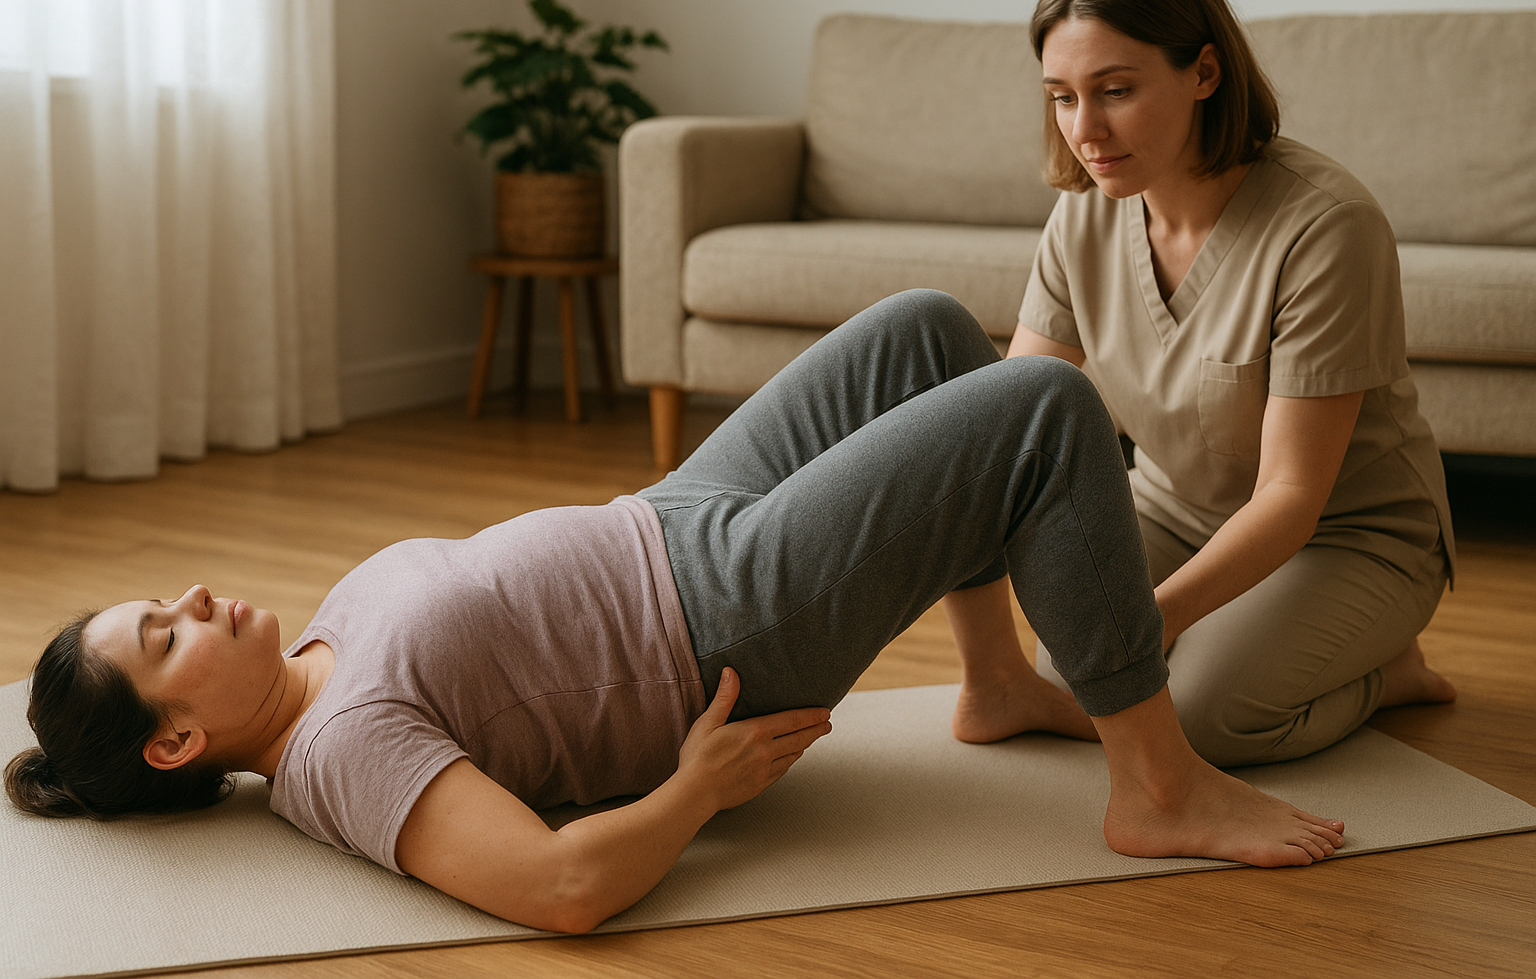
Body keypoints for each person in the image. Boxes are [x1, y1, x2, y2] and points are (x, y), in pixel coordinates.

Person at [7, 292, 1344, 934]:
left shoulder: (311, 655)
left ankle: (995, 686)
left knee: (927, 332)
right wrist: (696, 789)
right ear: (176, 743)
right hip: (716, 622)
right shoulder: (342, 756)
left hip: (677, 513)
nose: (187, 602)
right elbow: (561, 886)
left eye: (160, 603)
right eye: (163, 639)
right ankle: (1155, 786)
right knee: (1041, 409)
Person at [993, 0, 1458, 767]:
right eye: (1062, 97)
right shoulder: (1082, 220)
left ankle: (1390, 672)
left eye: (1116, 90)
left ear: (1204, 71)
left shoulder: (1327, 227)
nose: (1085, 130)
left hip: (1348, 535)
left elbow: (1291, 495)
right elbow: (1010, 416)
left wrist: (1151, 626)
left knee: (1204, 717)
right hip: (1173, 511)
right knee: (1069, 672)